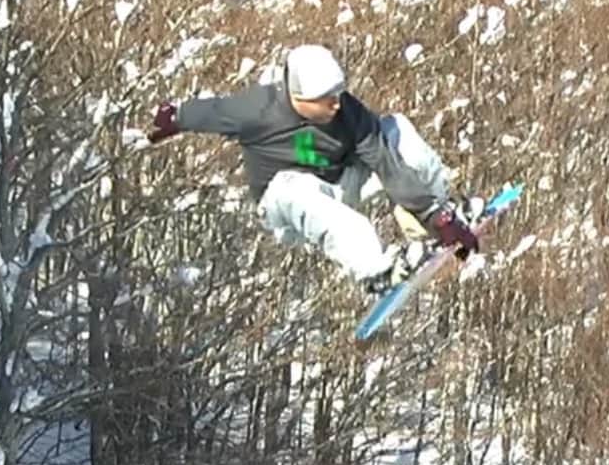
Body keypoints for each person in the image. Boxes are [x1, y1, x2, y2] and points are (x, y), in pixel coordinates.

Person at [144, 44, 481, 295]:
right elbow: (211, 111)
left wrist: (436, 216)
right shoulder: (258, 110)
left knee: (396, 130)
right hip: (285, 208)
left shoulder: (348, 111)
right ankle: (374, 271)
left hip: (339, 183)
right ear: (298, 96)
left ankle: (438, 216)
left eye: (337, 94)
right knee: (291, 185)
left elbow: (384, 161)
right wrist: (172, 118)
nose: (335, 103)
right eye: (325, 98)